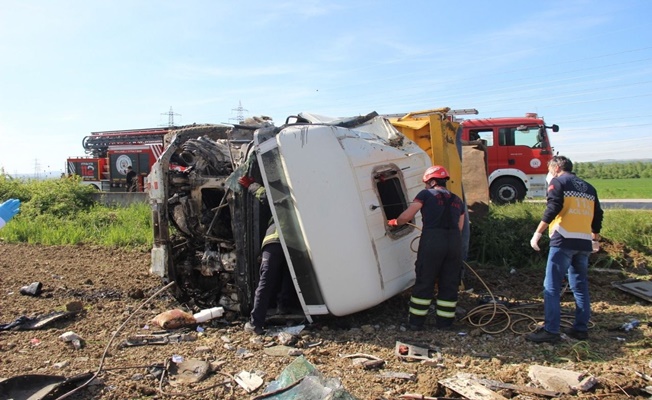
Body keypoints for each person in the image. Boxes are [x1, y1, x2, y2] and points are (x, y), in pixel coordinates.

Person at [527, 155, 604, 343]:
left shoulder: (557, 183)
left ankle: (551, 331)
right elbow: (598, 215)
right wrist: (595, 238)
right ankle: (580, 329)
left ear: (555, 168)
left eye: (549, 169)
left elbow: (553, 208)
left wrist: (538, 233)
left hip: (563, 239)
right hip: (584, 242)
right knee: (580, 287)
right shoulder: (589, 188)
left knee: (551, 287)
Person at [387, 165, 464, 331]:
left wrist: (395, 222)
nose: (425, 186)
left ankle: (415, 323)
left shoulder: (425, 195)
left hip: (433, 242)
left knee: (425, 280)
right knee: (449, 282)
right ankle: (445, 324)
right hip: (454, 243)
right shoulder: (458, 200)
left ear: (433, 181)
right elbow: (460, 227)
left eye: (426, 183)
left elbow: (407, 216)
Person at [238, 175, 295, 335]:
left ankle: (256, 323)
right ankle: (283, 308)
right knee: (288, 276)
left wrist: (250, 185)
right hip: (295, 243)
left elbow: (266, 197)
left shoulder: (285, 192)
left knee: (266, 280)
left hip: (275, 240)